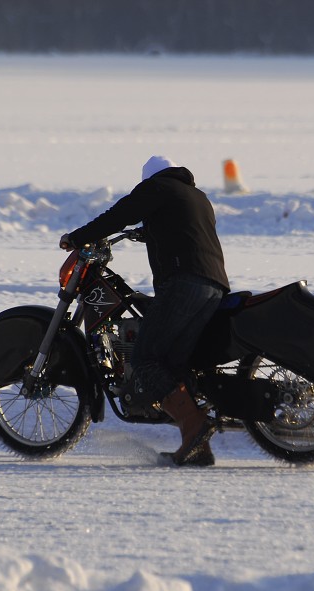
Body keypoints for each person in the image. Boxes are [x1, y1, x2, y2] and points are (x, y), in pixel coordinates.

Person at [60, 155, 230, 467]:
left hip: (183, 283)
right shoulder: (196, 196)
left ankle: (194, 425)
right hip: (213, 285)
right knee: (172, 363)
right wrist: (146, 231)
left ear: (149, 179)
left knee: (145, 359)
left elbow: (118, 215)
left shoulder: (158, 187)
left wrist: (78, 237)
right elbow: (182, 231)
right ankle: (197, 447)